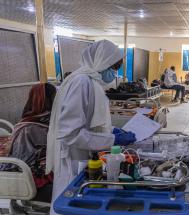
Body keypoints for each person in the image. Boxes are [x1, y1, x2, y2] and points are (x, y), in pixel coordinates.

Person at [46, 40, 136, 215]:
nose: (114, 73)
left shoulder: (90, 81)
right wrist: (113, 139)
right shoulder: (82, 82)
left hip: (84, 155)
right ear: (100, 62)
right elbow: (70, 134)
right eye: (113, 67)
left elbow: (89, 122)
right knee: (69, 204)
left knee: (83, 203)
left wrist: (110, 131)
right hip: (73, 157)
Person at [0, 83, 56, 197]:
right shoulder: (29, 128)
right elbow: (20, 162)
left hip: (42, 171)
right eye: (54, 98)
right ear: (45, 101)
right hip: (32, 180)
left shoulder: (45, 121)